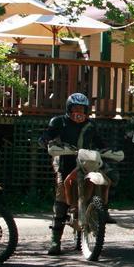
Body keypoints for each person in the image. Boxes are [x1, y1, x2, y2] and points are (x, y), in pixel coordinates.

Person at [37, 93, 107, 256]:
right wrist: (45, 140)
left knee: (99, 185)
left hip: (86, 164)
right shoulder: (59, 122)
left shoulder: (91, 125)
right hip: (65, 164)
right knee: (61, 200)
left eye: (82, 108)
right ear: (69, 109)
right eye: (75, 108)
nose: (79, 111)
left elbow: (100, 142)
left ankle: (92, 222)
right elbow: (48, 134)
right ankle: (55, 240)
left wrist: (107, 150)